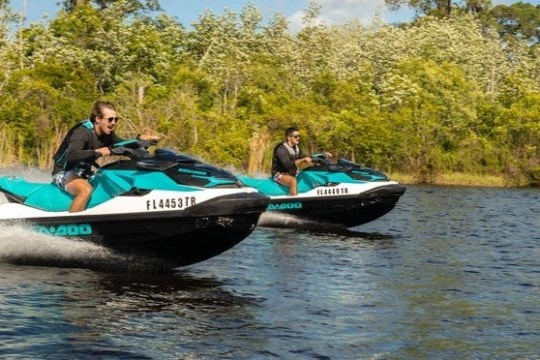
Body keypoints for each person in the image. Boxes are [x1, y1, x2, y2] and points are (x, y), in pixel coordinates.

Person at [52, 101, 155, 212]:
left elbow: (122, 145)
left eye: (116, 119)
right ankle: (73, 225)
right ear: (98, 119)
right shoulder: (82, 132)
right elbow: (71, 155)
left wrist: (140, 140)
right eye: (110, 119)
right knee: (85, 190)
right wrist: (97, 152)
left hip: (84, 173)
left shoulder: (108, 134)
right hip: (64, 172)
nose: (114, 123)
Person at [271, 126, 329, 196]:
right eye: (296, 136)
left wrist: (323, 155)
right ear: (289, 137)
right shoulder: (280, 149)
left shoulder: (296, 148)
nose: (298, 138)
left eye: (299, 136)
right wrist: (301, 160)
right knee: (293, 181)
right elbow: (287, 165)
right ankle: (294, 202)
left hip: (292, 174)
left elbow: (307, 157)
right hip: (279, 174)